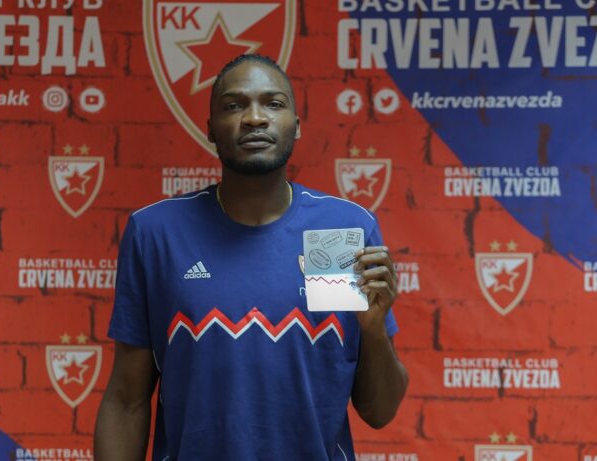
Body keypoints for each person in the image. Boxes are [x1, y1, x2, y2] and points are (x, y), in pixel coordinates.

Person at [94, 54, 408, 460]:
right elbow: (126, 400)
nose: (255, 118)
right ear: (210, 129)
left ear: (296, 125)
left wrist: (374, 331)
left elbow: (380, 412)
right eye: (234, 105)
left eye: (273, 104)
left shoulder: (339, 231)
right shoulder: (157, 232)